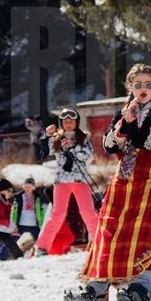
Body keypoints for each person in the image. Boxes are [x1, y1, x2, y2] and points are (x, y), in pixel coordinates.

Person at [65, 64, 151, 301]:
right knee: (108, 231)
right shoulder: (122, 113)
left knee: (144, 233)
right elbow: (110, 147)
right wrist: (125, 123)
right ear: (130, 87)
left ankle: (141, 286)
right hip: (123, 178)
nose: (143, 89)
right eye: (138, 84)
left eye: (148, 84)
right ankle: (97, 287)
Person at [35, 108, 97, 255]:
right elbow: (43, 153)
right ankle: (43, 247)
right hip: (62, 181)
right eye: (65, 121)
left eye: (71, 121)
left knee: (88, 212)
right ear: (61, 123)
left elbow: (88, 156)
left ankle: (100, 243)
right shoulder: (56, 138)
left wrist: (74, 147)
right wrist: (46, 135)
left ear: (76, 123)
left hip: (80, 180)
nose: (68, 124)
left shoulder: (84, 138)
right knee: (58, 214)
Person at [12, 177, 47, 251]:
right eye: (26, 186)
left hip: (34, 224)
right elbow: (14, 211)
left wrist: (43, 222)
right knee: (11, 241)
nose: (28, 188)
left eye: (30, 187)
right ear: (23, 187)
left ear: (33, 188)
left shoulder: (37, 197)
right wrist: (13, 223)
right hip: (21, 223)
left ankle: (43, 252)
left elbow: (41, 211)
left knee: (41, 240)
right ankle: (0, 256)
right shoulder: (18, 197)